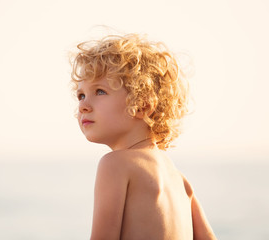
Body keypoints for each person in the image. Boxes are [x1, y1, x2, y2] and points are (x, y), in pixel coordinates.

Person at [70, 33, 217, 240]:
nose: (83, 106)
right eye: (81, 95)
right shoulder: (181, 182)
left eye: (100, 91)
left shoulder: (114, 165)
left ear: (142, 105)